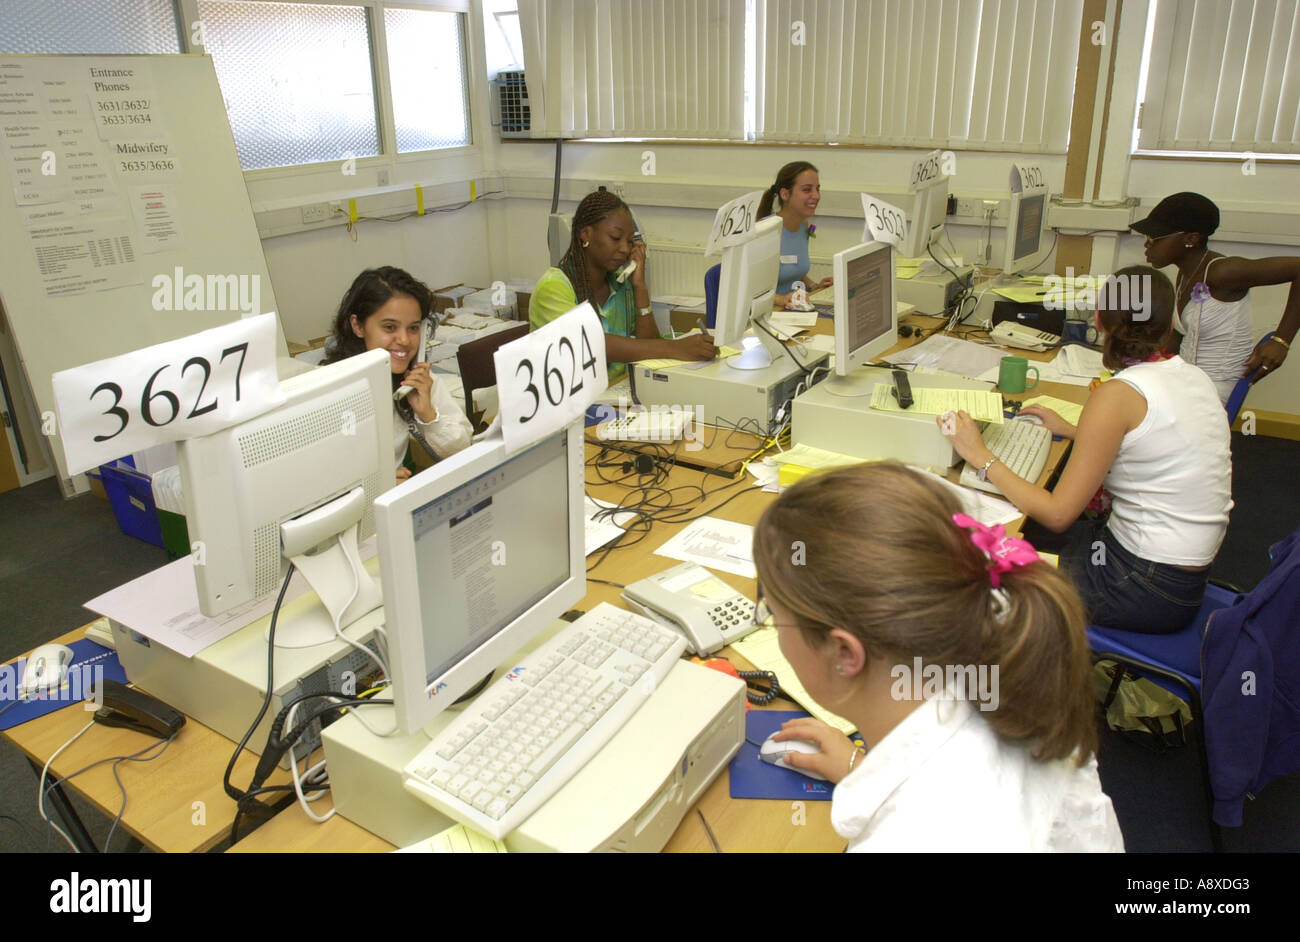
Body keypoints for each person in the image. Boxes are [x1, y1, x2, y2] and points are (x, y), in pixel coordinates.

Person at [751, 461, 1125, 852]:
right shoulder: (1011, 679)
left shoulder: (913, 838)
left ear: (844, 652)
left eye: (774, 614)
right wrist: (861, 769)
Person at [939, 266, 1232, 634]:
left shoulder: (1118, 395)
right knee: (1015, 530)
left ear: (1099, 320)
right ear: (1169, 327)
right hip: (1177, 577)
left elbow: (1058, 514)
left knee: (970, 569)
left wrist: (980, 455)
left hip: (1139, 585)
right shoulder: (1192, 375)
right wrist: (1078, 431)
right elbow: (1153, 438)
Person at [1133, 191, 1299, 402]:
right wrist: (1143, 363)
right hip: (1187, 380)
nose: (1147, 245)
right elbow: (1178, 336)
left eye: (1153, 239)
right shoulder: (1186, 273)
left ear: (1190, 239)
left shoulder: (1223, 272)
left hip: (1212, 390)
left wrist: (1281, 340)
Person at [530, 190, 715, 378]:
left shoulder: (620, 285)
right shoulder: (554, 287)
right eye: (615, 238)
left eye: (629, 241)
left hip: (617, 393)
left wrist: (640, 287)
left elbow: (649, 348)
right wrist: (675, 348)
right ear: (586, 234)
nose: (625, 249)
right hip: (574, 403)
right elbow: (592, 346)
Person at [322, 267, 473, 482]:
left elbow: (463, 449)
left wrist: (428, 414)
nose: (404, 339)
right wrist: (375, 484)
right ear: (357, 326)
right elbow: (317, 478)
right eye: (390, 327)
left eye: (413, 328)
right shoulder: (329, 390)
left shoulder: (418, 381)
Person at [757, 161, 833, 309]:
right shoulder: (764, 232)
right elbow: (748, 289)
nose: (816, 196)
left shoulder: (804, 226)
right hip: (768, 313)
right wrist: (781, 299)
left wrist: (815, 286)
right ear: (785, 194)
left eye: (817, 189)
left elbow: (794, 271)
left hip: (793, 310)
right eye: (807, 190)